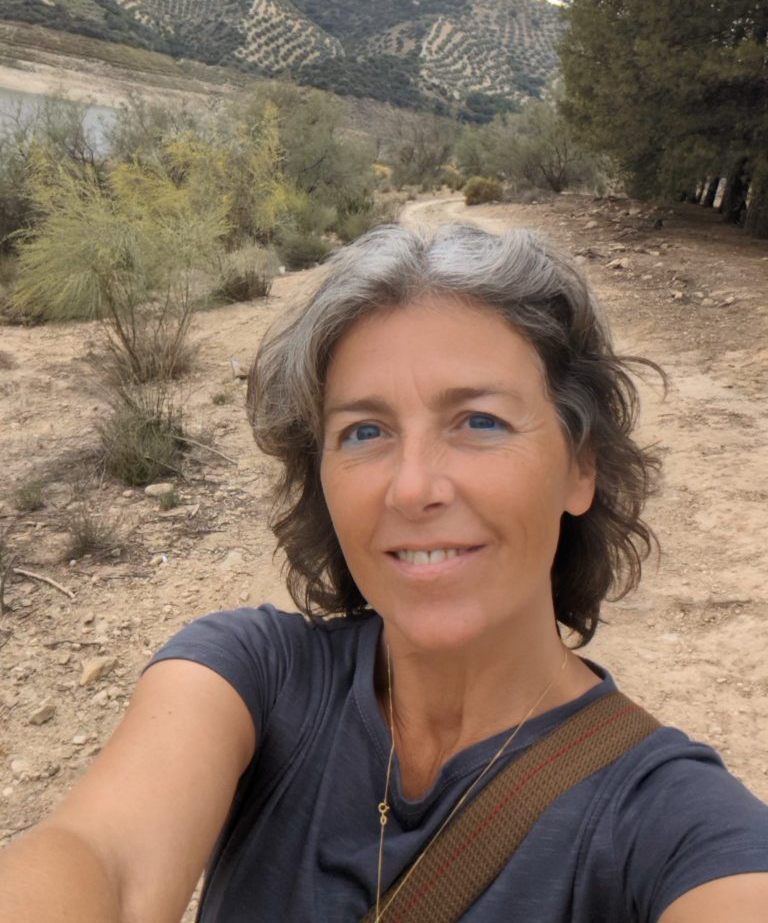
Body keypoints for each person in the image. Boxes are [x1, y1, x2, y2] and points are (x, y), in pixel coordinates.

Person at [0, 224, 767, 923]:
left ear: (580, 468)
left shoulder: (670, 822)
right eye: (365, 431)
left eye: (479, 422)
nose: (412, 487)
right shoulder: (254, 680)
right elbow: (107, 863)